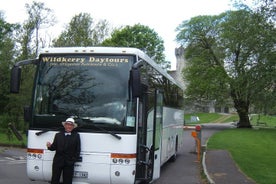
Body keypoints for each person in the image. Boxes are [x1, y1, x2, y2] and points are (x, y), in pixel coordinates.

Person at [46, 118, 81, 184]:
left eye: (71, 125)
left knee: (68, 181)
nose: (69, 126)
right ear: (64, 125)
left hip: (69, 163)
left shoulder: (76, 136)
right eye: (67, 124)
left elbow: (78, 150)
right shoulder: (58, 135)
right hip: (58, 161)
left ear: (73, 127)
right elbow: (54, 147)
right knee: (54, 180)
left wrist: (73, 160)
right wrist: (49, 146)